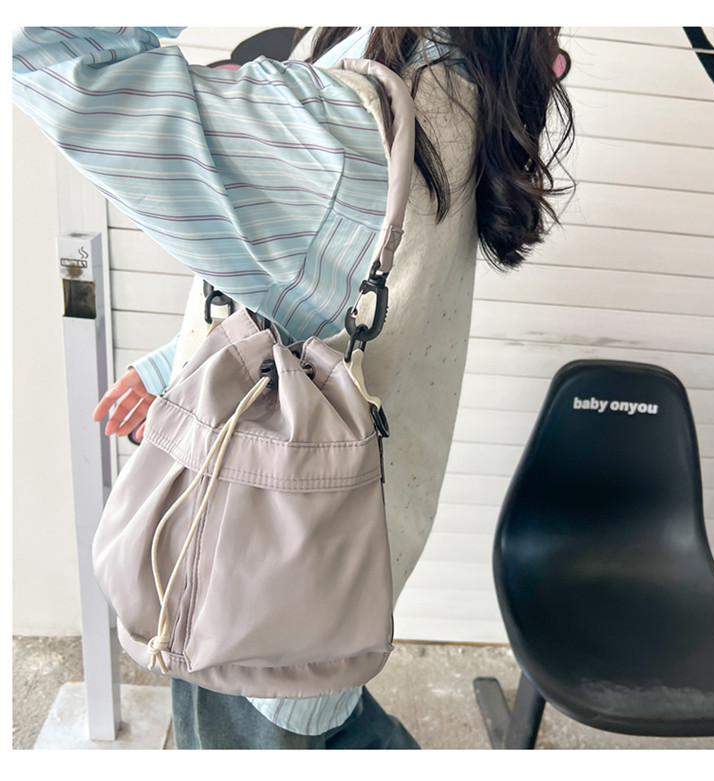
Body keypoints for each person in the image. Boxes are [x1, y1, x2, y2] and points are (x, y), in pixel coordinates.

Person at [13, 26, 574, 749]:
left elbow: (41, 52)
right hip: (341, 550)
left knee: (269, 727)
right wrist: (171, 365)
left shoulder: (340, 120)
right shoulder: (457, 89)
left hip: (251, 580)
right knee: (331, 719)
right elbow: (317, 287)